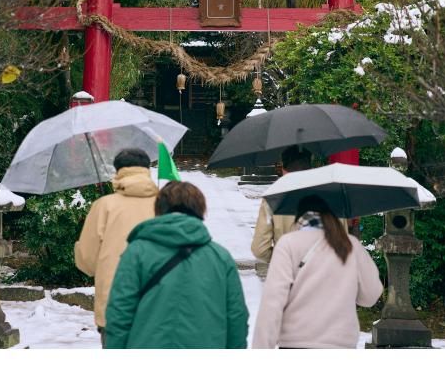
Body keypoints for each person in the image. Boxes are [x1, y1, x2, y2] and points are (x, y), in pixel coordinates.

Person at [104, 181, 249, 348]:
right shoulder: (220, 257)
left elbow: (120, 312)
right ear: (201, 210)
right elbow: (236, 317)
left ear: (158, 209)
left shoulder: (136, 252)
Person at [252, 194, 383, 349]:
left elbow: (273, 301)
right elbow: (370, 296)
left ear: (299, 216)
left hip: (296, 342)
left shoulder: (288, 244)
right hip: (341, 342)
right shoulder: (350, 245)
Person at [74, 147, 158, 347]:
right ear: (147, 169)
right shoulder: (166, 203)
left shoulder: (104, 206)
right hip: (159, 304)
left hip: (115, 307)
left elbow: (87, 262)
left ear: (118, 170)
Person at [250, 145, 312, 265]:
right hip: (324, 275)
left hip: (288, 273)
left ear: (284, 170)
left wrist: (281, 259)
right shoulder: (330, 195)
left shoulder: (273, 198)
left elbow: (259, 248)